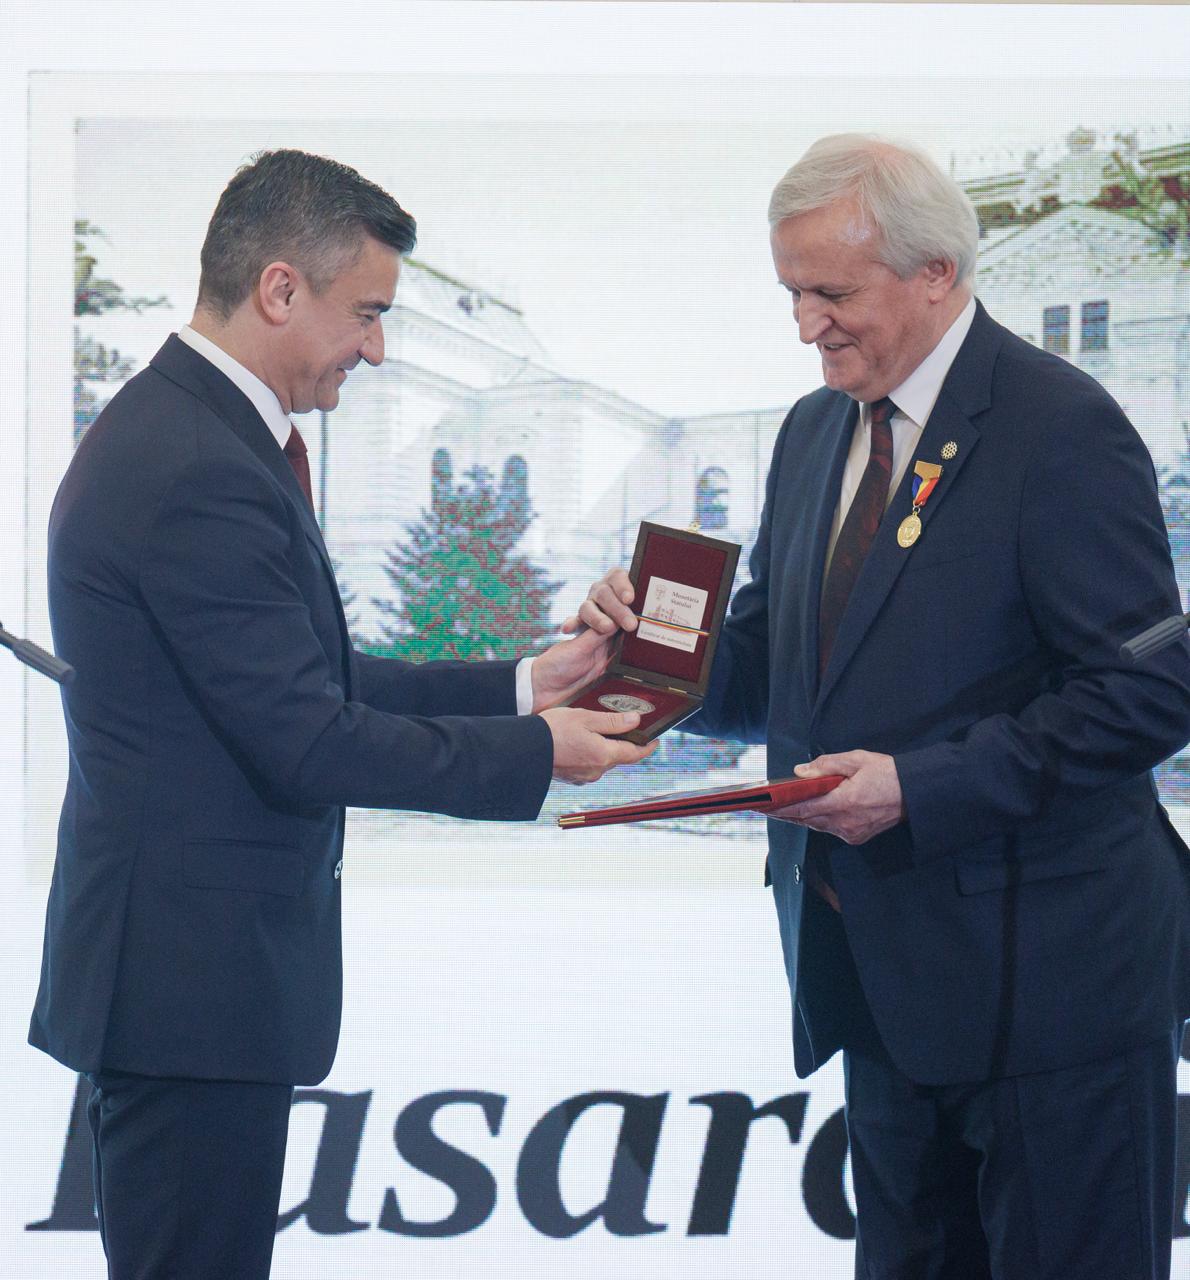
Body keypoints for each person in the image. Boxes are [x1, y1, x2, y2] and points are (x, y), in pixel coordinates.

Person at [574, 135, 1190, 1278]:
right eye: (789, 293)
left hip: (1051, 996)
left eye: (829, 292)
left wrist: (918, 787)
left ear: (934, 274)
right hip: (879, 988)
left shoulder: (1060, 425)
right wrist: (651, 648)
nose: (803, 324)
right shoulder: (813, 431)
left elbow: (1149, 688)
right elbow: (778, 667)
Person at [29, 149, 652, 1280]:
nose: (376, 349)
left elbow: (314, 678)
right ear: (279, 288)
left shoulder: (199, 435)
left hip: (190, 988)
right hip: (189, 994)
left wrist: (531, 684)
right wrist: (535, 755)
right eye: (366, 314)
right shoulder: (193, 463)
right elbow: (308, 738)